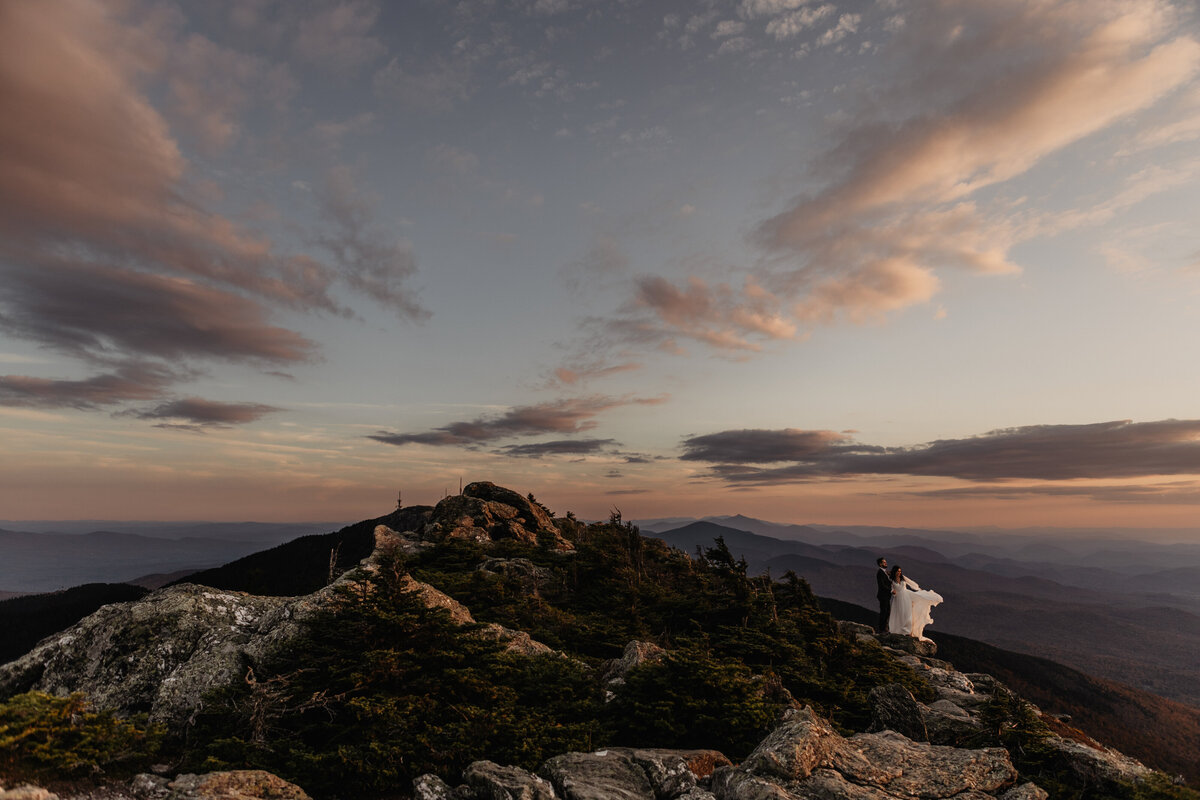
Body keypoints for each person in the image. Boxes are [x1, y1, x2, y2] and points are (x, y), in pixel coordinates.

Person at [887, 564, 943, 641]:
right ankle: (899, 630)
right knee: (899, 614)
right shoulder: (891, 579)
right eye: (897, 571)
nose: (899, 573)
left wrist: (917, 588)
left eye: (900, 571)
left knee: (907, 613)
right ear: (895, 571)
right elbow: (891, 588)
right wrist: (892, 591)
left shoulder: (903, 578)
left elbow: (911, 583)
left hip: (906, 596)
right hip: (898, 598)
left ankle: (907, 631)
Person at [875, 556, 891, 633]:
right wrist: (891, 590)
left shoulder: (885, 572)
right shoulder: (880, 573)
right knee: (884, 612)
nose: (886, 563)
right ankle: (882, 629)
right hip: (883, 596)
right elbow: (882, 585)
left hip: (886, 596)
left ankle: (885, 628)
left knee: (887, 612)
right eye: (884, 562)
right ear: (880, 564)